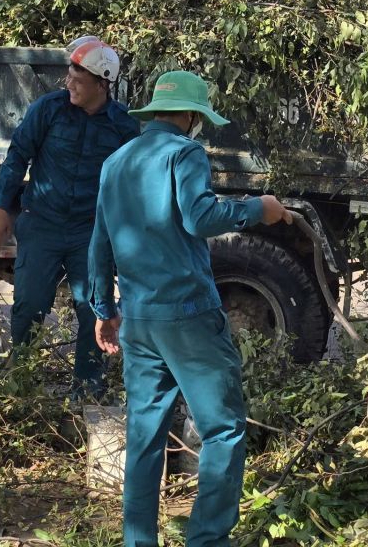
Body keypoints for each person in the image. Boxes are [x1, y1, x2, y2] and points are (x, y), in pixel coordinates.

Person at [88, 70, 293, 547]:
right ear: (191, 115)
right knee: (222, 429)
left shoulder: (115, 162)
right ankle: (207, 541)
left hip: (139, 319)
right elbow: (200, 218)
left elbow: (99, 241)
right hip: (189, 318)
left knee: (144, 436)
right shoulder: (185, 153)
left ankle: (138, 541)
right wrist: (258, 208)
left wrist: (103, 308)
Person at [0, 35, 139, 396]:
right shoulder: (48, 109)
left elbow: (130, 182)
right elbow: (18, 155)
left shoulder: (123, 125)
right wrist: (1, 207)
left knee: (93, 308)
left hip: (90, 232)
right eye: (69, 76)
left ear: (102, 84)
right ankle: (21, 383)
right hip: (43, 224)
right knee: (30, 305)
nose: (69, 84)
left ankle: (88, 385)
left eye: (78, 80)